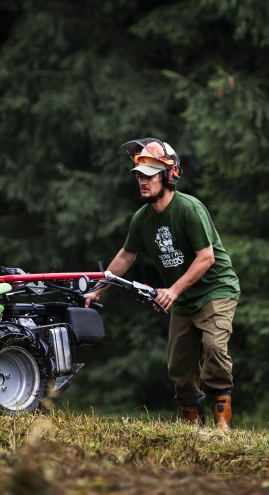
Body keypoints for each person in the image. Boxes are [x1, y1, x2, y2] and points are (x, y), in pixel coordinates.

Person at [86, 138, 241, 430]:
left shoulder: (189, 209)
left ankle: (223, 423)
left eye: (149, 175)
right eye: (138, 175)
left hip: (215, 290)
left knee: (215, 349)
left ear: (169, 176)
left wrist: (172, 290)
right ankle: (193, 424)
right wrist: (97, 288)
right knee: (178, 368)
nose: (141, 181)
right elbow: (125, 256)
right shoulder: (141, 219)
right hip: (183, 298)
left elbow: (206, 258)